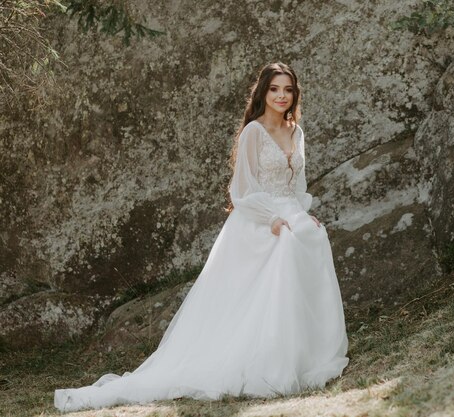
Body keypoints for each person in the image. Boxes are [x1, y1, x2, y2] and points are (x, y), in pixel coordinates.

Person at [53, 62, 350, 412]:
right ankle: (269, 361)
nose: (282, 96)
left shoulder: (296, 131)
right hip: (259, 217)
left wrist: (303, 211)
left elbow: (298, 184)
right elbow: (242, 189)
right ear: (263, 93)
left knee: (314, 238)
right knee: (279, 256)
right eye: (274, 89)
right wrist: (271, 218)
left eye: (288, 89)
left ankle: (308, 353)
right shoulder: (253, 133)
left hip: (290, 212)